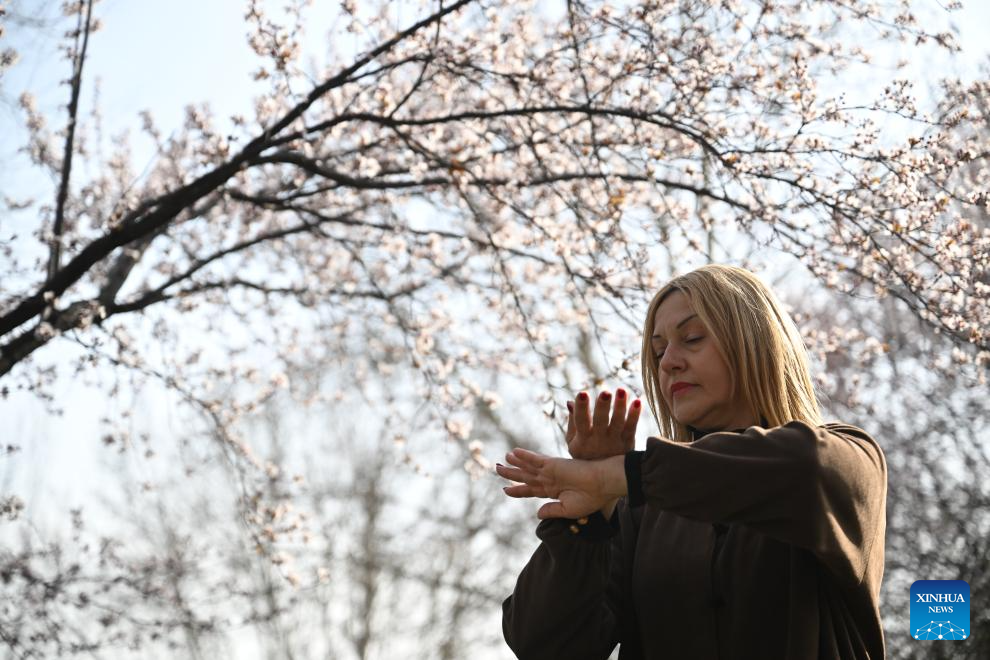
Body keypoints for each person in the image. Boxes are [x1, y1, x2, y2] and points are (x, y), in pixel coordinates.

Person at [495, 264, 887, 660]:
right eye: (658, 351)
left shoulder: (850, 457)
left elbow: (806, 467)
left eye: (693, 338)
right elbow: (543, 645)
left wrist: (621, 474)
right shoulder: (640, 512)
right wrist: (590, 519)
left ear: (755, 341)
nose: (668, 362)